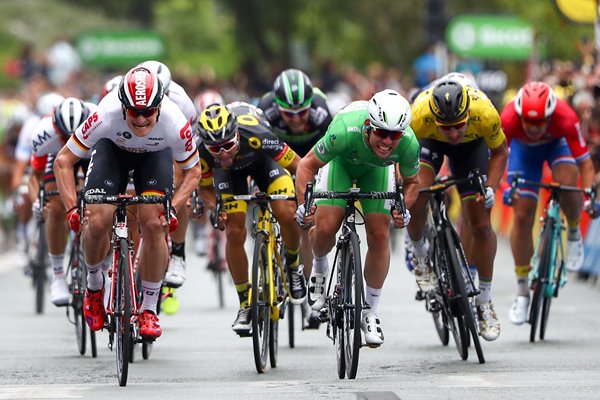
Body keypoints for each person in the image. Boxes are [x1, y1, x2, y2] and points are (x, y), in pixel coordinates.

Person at [53, 66, 201, 340]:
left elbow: (193, 171)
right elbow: (63, 161)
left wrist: (174, 207)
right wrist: (72, 208)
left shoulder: (175, 121)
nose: (142, 119)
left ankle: (148, 309)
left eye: (148, 112)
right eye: (135, 112)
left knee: (154, 224)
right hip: (112, 153)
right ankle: (95, 285)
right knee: (97, 220)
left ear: (159, 107)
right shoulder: (105, 114)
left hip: (154, 157)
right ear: (123, 107)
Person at [294, 89, 420, 347]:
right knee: (327, 226)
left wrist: (402, 208)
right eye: (381, 133)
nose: (387, 141)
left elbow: (413, 183)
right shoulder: (344, 130)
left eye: (394, 135)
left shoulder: (409, 144)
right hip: (340, 163)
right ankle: (319, 265)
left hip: (377, 172)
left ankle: (370, 312)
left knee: (379, 234)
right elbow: (305, 166)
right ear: (368, 126)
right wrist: (304, 206)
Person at [408, 79, 508, 341]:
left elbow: (500, 153)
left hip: (471, 149)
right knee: (417, 193)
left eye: (458, 125)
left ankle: (484, 302)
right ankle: (419, 251)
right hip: (430, 143)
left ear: (468, 114)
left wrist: (491, 188)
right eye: (447, 127)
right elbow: (400, 153)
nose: (453, 133)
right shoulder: (419, 113)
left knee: (482, 227)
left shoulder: (484, 112)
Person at [197, 102, 306, 335]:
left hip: (265, 163)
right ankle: (245, 303)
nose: (223, 153)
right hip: (229, 176)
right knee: (234, 230)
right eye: (216, 149)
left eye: (227, 145)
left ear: (236, 134)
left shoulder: (258, 135)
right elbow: (205, 189)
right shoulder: (203, 153)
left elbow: (299, 166)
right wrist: (215, 208)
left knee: (285, 211)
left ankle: (293, 264)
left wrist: (307, 196)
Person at [500, 81, 597, 325]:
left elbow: (585, 163)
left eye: (540, 121)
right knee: (522, 216)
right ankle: (522, 292)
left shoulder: (565, 116)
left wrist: (587, 198)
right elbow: (497, 159)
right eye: (528, 122)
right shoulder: (508, 117)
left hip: (557, 147)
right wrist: (502, 189)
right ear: (519, 114)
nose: (533, 127)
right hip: (524, 155)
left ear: (550, 114)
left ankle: (573, 232)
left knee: (567, 180)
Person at [258, 68, 333, 328]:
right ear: (278, 108)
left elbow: (330, 157)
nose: (298, 119)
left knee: (308, 221)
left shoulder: (322, 113)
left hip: (313, 156)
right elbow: (256, 150)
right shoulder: (265, 110)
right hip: (277, 157)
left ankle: (312, 295)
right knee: (279, 206)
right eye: (290, 114)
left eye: (302, 112)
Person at [28, 97, 95, 305]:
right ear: (56, 129)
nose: (70, 140)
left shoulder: (98, 121)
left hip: (91, 149)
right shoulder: (43, 133)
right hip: (58, 157)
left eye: (73, 135)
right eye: (65, 136)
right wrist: (36, 202)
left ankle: (104, 266)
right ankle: (58, 276)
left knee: (100, 203)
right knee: (56, 207)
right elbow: (36, 176)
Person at [140, 60, 197, 289]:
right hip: (136, 139)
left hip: (170, 142)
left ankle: (178, 254)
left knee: (177, 181)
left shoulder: (182, 103)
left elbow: (186, 154)